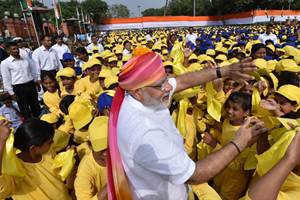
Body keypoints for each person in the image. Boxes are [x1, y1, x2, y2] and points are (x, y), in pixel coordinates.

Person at [107, 49, 268, 200]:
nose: (168, 87)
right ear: (137, 93)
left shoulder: (143, 93)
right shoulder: (145, 134)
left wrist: (223, 71)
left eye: (165, 80)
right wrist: (240, 142)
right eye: (161, 84)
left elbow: (180, 81)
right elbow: (196, 174)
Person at [0, 118, 72, 200]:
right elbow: (1, 190)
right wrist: (1, 142)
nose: (53, 143)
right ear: (33, 149)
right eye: (49, 142)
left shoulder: (48, 152)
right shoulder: (14, 169)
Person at [0, 41, 41, 119]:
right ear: (8, 51)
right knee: (25, 109)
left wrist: (36, 81)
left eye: (17, 48)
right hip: (19, 88)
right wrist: (12, 93)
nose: (16, 50)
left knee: (36, 106)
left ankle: (40, 123)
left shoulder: (25, 59)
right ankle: (30, 126)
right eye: (13, 49)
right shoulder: (5, 63)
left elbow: (32, 70)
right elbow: (6, 79)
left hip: (30, 85)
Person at [74, 116, 108, 200]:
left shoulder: (123, 153)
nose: (106, 153)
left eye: (110, 147)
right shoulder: (85, 170)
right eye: (101, 148)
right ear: (90, 145)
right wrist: (110, 186)